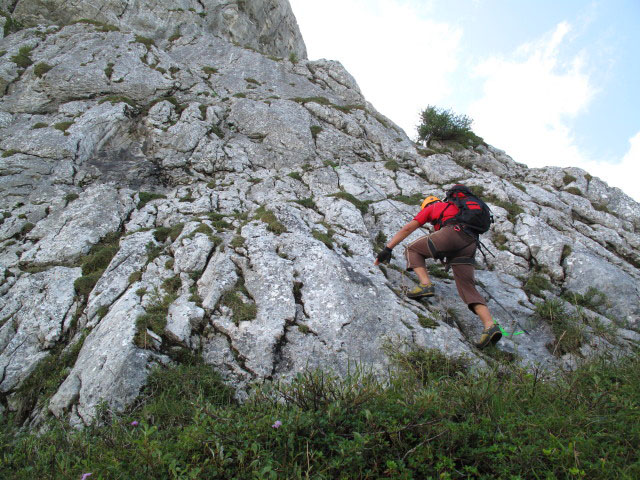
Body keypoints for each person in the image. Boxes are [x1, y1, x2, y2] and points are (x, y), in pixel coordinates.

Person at [374, 185, 501, 348]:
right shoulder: (456, 209)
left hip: (454, 232)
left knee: (412, 249)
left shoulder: (433, 207)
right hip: (471, 242)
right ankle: (490, 325)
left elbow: (408, 228)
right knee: (468, 288)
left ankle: (426, 285)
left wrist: (388, 248)